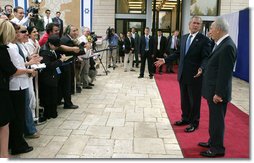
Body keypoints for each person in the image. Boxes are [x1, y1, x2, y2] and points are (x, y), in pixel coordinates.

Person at [155, 16, 211, 132]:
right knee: (184, 99)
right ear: (189, 24)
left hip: (195, 76)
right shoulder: (184, 38)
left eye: (198, 24)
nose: (196, 25)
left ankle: (194, 123)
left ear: (200, 26)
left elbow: (206, 58)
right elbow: (177, 53)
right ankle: (185, 118)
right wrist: (165, 60)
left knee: (194, 101)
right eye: (194, 23)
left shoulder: (204, 40)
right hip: (182, 74)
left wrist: (202, 68)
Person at [199, 17, 237, 157]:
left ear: (219, 29)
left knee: (217, 121)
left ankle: (217, 149)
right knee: (214, 119)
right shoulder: (221, 43)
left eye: (212, 29)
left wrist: (219, 93)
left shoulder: (227, 46)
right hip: (213, 90)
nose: (210, 32)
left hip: (218, 94)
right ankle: (212, 141)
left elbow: (225, 74)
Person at [0, 19, 36, 158]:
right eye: (20, 32)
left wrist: (29, 64)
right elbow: (12, 69)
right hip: (13, 85)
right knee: (12, 119)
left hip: (17, 83)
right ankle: (11, 149)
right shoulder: (7, 48)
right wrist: (28, 70)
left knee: (17, 116)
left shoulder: (12, 47)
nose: (24, 34)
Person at [39, 35, 68, 119]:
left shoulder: (50, 49)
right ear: (50, 44)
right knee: (48, 97)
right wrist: (60, 61)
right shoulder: (45, 51)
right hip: (47, 77)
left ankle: (53, 112)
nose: (56, 48)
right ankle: (49, 113)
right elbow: (48, 65)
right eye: (55, 46)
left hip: (53, 76)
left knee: (53, 95)